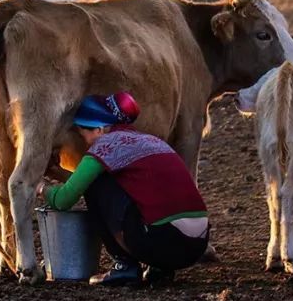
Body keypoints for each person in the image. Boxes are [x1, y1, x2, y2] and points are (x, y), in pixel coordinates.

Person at [38, 91, 209, 287]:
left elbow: (64, 199)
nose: (84, 142)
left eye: (82, 134)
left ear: (99, 129)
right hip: (197, 245)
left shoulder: (105, 147)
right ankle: (160, 268)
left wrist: (41, 188)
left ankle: (124, 265)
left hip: (163, 240)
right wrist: (56, 172)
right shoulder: (149, 141)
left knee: (96, 185)